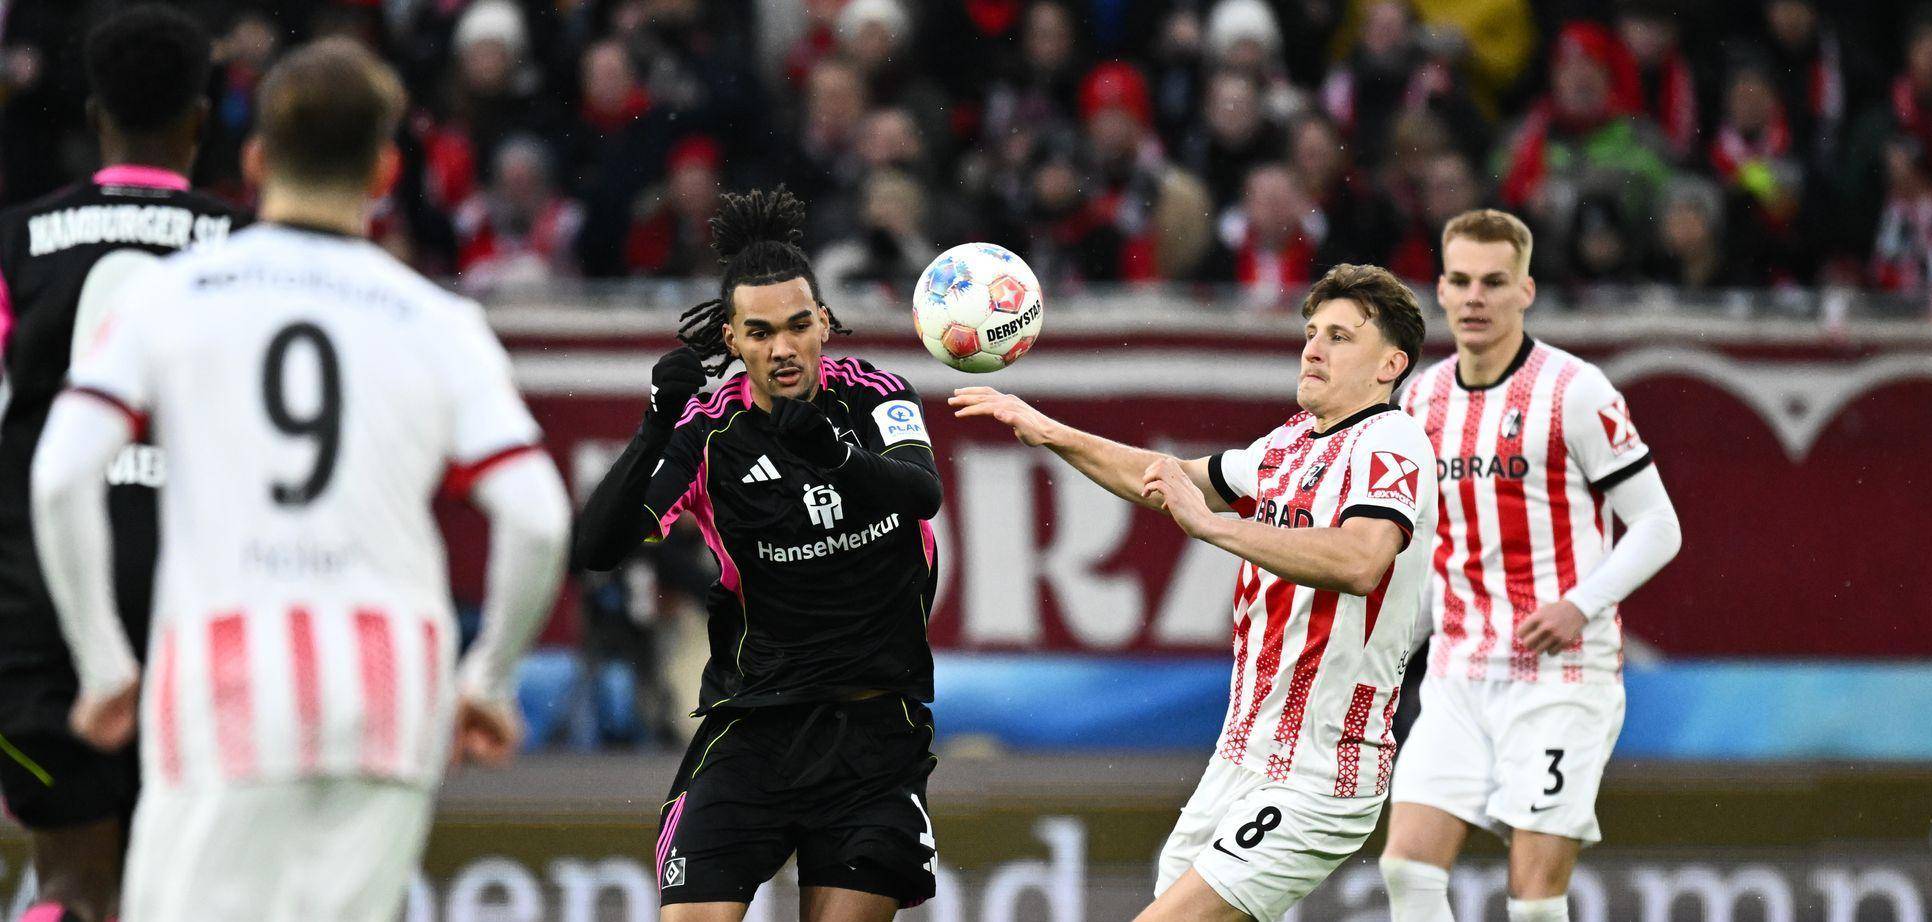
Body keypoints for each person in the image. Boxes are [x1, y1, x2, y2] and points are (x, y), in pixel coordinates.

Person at [28, 38, 569, 922]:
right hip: (393, 685)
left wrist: (99, 661)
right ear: (386, 169)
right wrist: (491, 680)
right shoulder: (440, 321)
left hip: (223, 670)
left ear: (253, 159)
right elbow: (539, 518)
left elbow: (59, 476)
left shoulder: (172, 297)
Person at [953, 263, 1436, 922]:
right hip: (1239, 759)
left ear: (1391, 365)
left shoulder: (1392, 441)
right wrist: (1052, 432)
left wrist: (1212, 527)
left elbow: (1361, 561)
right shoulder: (1288, 445)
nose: (1314, 348)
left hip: (1319, 772)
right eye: (1312, 332)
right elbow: (1170, 479)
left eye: (1341, 337)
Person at [571, 186, 943, 922]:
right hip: (753, 734)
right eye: (762, 331)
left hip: (872, 738)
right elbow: (597, 548)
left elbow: (919, 492)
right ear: (734, 340)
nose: (784, 349)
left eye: (800, 325)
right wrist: (653, 427)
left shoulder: (874, 398)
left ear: (825, 324)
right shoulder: (708, 433)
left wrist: (830, 452)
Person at [0, 8, 245, 920]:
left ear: (95, 112)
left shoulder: (16, 243)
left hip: (39, 604)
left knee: (71, 879)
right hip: (195, 611)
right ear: (201, 117)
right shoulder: (251, 250)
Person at [1378, 210, 1683, 922]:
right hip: (1458, 673)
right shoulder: (1419, 399)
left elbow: (1658, 525)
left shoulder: (1576, 392)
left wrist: (1581, 602)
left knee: (1534, 895)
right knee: (1405, 867)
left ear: (1526, 291)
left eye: (1494, 281)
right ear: (1442, 292)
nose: (1476, 297)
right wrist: (1389, 649)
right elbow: (1432, 550)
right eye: (1460, 281)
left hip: (1561, 676)